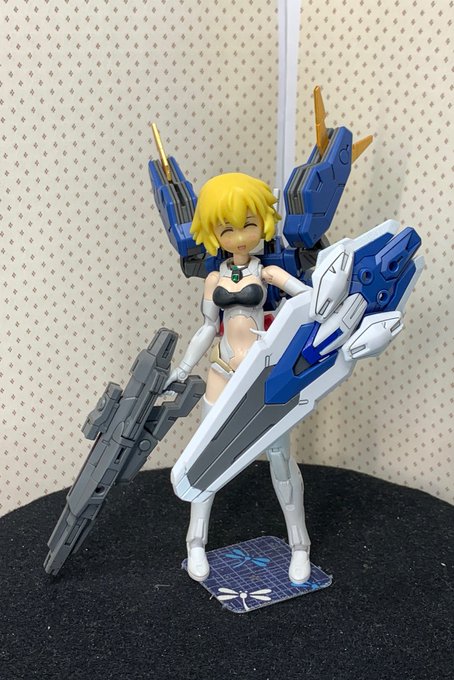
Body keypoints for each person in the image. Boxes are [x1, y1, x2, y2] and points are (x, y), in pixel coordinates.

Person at [166, 172, 312, 584]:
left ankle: (299, 544)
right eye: (226, 229)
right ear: (213, 233)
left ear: (263, 223)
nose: (239, 237)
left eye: (248, 224)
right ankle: (196, 541)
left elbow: (309, 302)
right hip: (222, 371)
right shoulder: (214, 279)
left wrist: (290, 309)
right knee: (206, 454)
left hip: (261, 376)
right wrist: (182, 369)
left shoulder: (268, 273)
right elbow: (206, 328)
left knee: (279, 456)